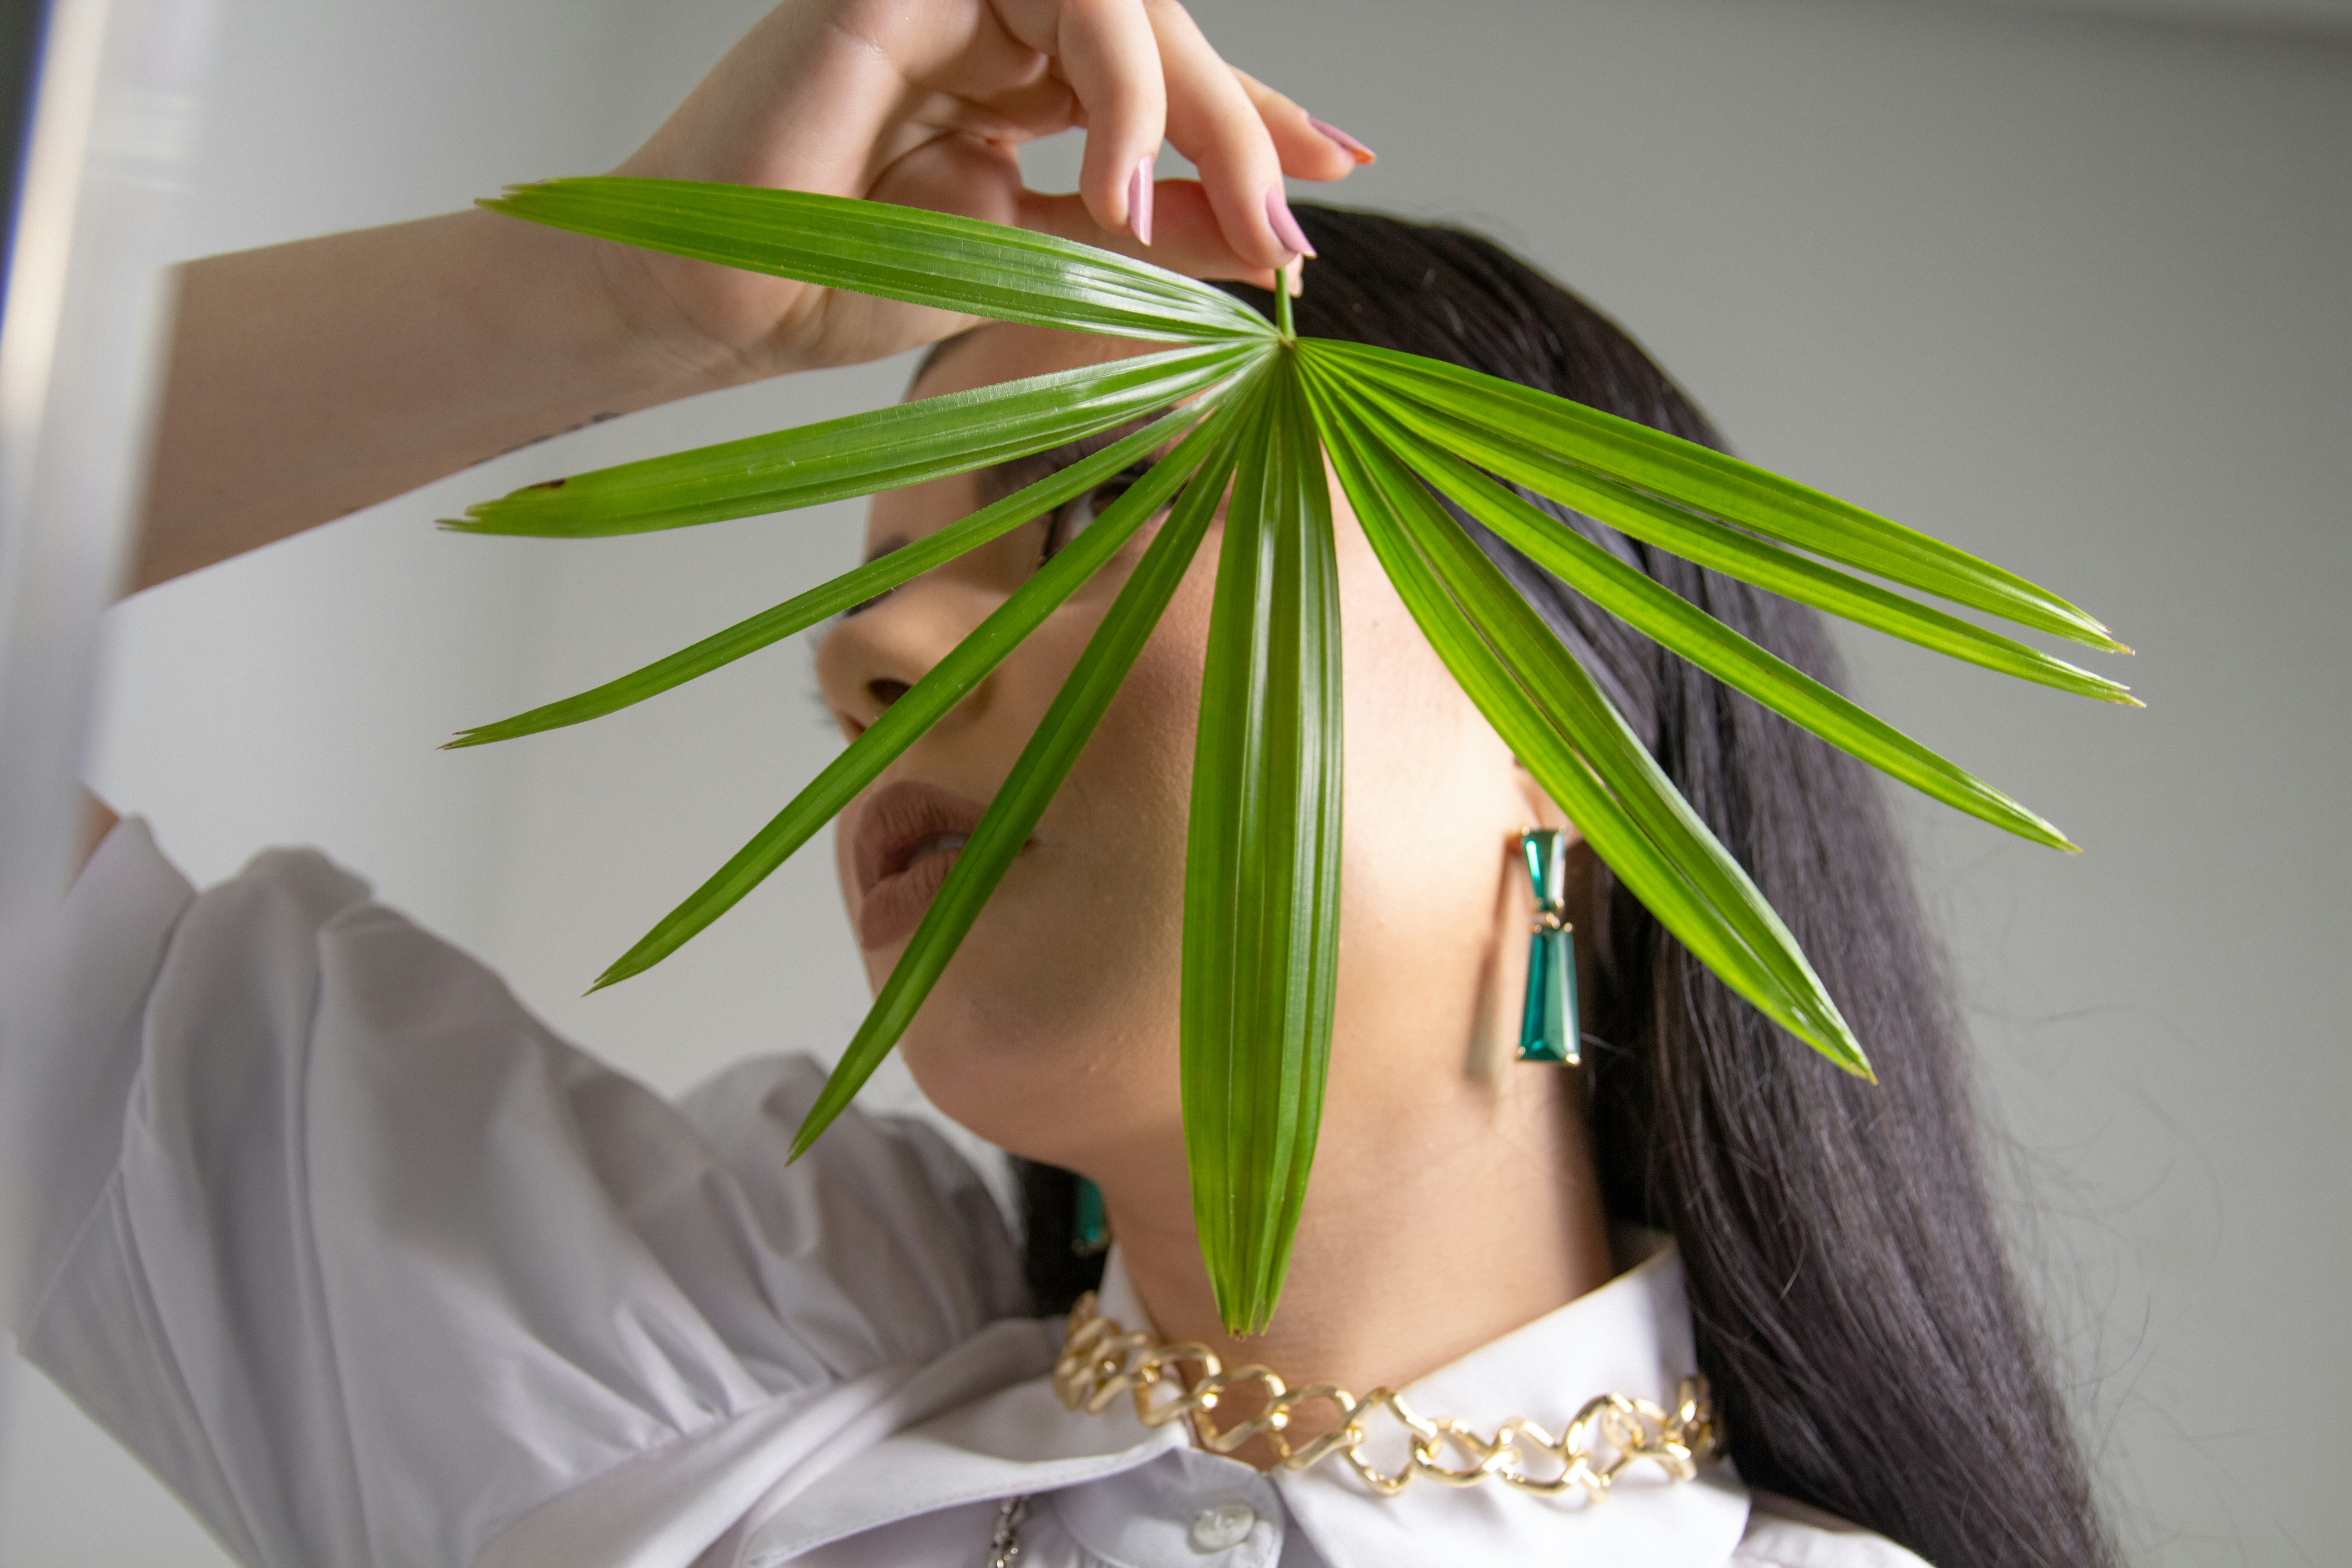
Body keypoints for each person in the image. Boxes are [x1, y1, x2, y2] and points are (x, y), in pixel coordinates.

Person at [1, 2, 2118, 1565]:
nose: (870, 660)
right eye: (873, 589)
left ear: (1557, 737)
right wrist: (610, 298)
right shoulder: (701, 1369)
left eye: (1090, 516)